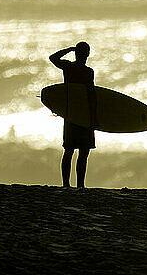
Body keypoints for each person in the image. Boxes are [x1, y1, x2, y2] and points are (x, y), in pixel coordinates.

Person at [49, 41, 97, 188]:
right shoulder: (88, 72)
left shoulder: (68, 68)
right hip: (85, 114)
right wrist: (95, 118)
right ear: (88, 54)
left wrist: (69, 50)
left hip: (71, 114)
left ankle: (66, 184)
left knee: (69, 150)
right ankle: (80, 185)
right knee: (83, 151)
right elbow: (91, 95)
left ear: (76, 53)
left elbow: (53, 58)